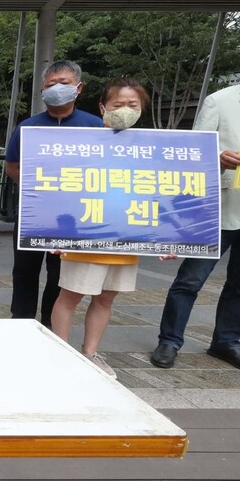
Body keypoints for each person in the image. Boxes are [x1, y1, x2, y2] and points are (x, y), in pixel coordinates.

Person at [150, 23, 240, 376]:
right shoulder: (222, 100)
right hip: (221, 205)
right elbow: (193, 154)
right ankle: (170, 340)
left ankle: (227, 341)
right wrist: (216, 157)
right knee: (191, 279)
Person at [50, 78, 170, 379]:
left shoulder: (152, 149)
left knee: (105, 298)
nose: (126, 110)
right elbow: (61, 189)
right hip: (85, 235)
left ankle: (91, 353)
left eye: (133, 105)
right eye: (118, 105)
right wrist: (52, 231)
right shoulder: (82, 144)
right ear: (103, 107)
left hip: (126, 237)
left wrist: (170, 239)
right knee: (70, 295)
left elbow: (161, 192)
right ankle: (60, 353)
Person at [5, 60, 103, 329]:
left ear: (79, 88)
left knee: (60, 273)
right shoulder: (28, 127)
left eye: (65, 83)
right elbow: (12, 165)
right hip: (34, 213)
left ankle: (50, 324)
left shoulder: (96, 127)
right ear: (42, 91)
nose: (57, 89)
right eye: (51, 84)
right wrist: (38, 189)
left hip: (75, 216)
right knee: (25, 269)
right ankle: (21, 322)